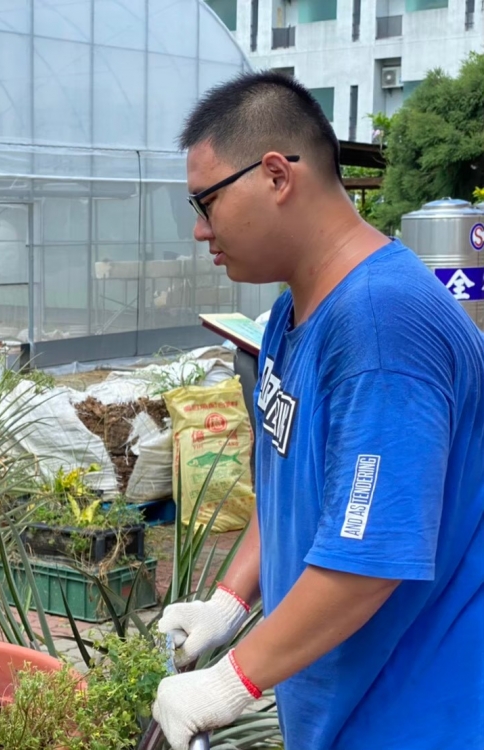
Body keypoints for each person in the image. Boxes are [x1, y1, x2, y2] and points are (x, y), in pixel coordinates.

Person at [150, 71, 484, 750]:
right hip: (340, 703)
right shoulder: (291, 313)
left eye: (206, 201)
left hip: (418, 712)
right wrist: (229, 601)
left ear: (276, 175)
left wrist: (230, 681)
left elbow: (370, 556)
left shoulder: (381, 324)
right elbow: (290, 477)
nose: (198, 228)